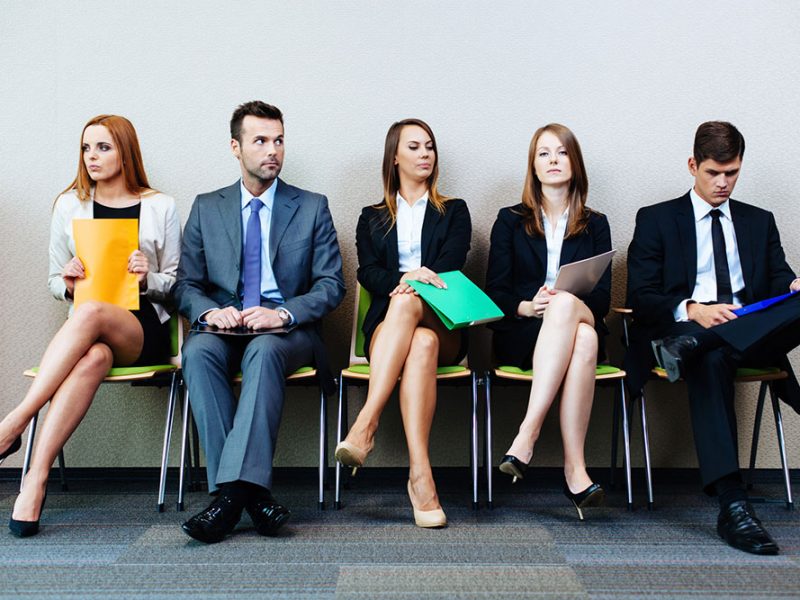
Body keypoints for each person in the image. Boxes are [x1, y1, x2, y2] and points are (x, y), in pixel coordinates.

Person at [0, 115, 182, 537]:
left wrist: (148, 278)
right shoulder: (70, 204)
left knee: (92, 313)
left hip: (141, 330)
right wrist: (67, 282)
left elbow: (178, 284)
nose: (92, 157)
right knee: (94, 356)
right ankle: (35, 481)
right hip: (88, 335)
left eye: (103, 147)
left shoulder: (160, 205)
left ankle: (16, 420)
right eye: (86, 148)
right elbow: (52, 281)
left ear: (125, 151)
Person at [174, 101, 345, 544]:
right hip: (224, 326)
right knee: (196, 351)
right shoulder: (207, 207)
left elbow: (331, 286)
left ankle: (228, 498)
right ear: (236, 147)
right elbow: (185, 285)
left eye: (279, 140)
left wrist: (282, 313)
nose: (273, 150)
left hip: (286, 333)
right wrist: (210, 311)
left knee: (264, 350)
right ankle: (251, 497)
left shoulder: (310, 207)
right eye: (261, 140)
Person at [626, 121, 800, 555]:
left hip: (750, 329)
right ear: (693, 165)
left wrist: (793, 285)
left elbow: (779, 280)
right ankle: (733, 505)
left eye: (733, 173)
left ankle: (693, 348)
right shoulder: (657, 218)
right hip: (688, 326)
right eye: (713, 173)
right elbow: (641, 296)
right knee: (713, 358)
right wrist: (692, 310)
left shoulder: (760, 221)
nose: (723, 183)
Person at [334, 118, 471, 528]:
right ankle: (420, 475)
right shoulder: (371, 217)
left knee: (414, 312)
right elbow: (367, 272)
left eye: (429, 146)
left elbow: (451, 265)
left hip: (444, 318)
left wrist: (413, 282)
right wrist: (401, 280)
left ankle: (366, 422)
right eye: (414, 147)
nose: (425, 154)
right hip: (391, 329)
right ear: (394, 157)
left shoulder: (454, 211)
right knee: (420, 343)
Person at [486, 123, 611, 520]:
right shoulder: (509, 221)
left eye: (561, 152)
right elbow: (495, 292)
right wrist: (525, 306)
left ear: (575, 162)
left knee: (567, 306)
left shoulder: (596, 223)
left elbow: (604, 298)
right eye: (544, 153)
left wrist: (563, 303)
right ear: (533, 165)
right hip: (525, 334)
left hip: (582, 315)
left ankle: (528, 434)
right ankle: (575, 471)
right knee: (586, 340)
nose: (553, 160)